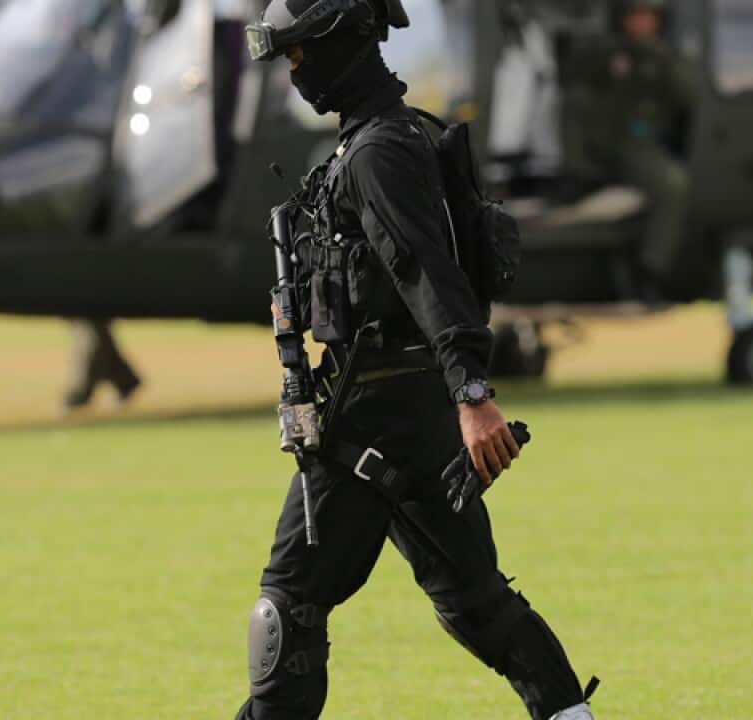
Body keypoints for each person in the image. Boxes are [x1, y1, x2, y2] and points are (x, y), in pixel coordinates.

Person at [234, 1, 596, 718]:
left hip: (377, 417)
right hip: (416, 412)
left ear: (342, 43)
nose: (296, 73)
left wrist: (473, 391)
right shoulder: (382, 140)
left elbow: (427, 273)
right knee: (477, 604)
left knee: (289, 609)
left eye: (302, 54)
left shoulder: (377, 154)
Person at [559, 0, 695, 292]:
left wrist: (662, 60)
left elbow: (689, 94)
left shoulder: (664, 57)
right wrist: (614, 52)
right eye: (636, 16)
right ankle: (577, 176)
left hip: (644, 145)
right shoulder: (610, 52)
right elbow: (572, 77)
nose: (643, 24)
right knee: (575, 101)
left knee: (674, 185)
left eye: (649, 17)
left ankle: (650, 269)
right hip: (608, 145)